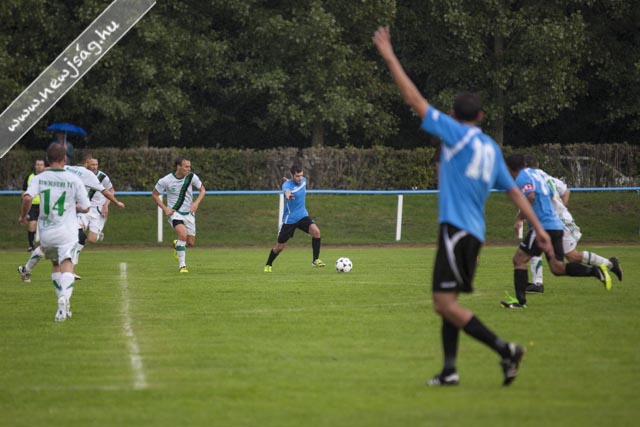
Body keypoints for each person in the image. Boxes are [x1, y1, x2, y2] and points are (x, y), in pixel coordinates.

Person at [373, 26, 553, 387]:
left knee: (443, 304)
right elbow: (515, 194)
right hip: (474, 234)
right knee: (448, 302)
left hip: (456, 231)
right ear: (482, 116)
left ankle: (506, 350)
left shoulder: (454, 134)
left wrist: (389, 55)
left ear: (455, 115)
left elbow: (414, 99)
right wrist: (540, 229)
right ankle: (450, 370)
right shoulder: (491, 149)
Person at [501, 154, 612, 309]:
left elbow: (531, 196)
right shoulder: (538, 174)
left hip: (542, 226)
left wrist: (520, 218)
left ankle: (520, 302)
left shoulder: (522, 177)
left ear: (508, 168)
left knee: (519, 260)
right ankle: (594, 271)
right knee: (557, 268)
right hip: (556, 225)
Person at [520, 154, 623, 293]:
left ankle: (608, 265)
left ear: (525, 166)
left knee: (572, 256)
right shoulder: (546, 177)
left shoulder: (532, 178)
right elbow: (566, 191)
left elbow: (534, 197)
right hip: (552, 220)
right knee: (543, 248)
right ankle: (538, 283)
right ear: (537, 164)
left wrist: (556, 212)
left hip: (556, 221)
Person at [18, 150, 125, 282]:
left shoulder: (68, 168)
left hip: (58, 214)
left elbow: (50, 169)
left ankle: (28, 269)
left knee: (61, 243)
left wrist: (42, 172)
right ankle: (63, 275)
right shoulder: (88, 175)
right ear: (87, 162)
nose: (93, 166)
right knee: (67, 242)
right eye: (91, 163)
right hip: (66, 213)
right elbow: (105, 192)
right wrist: (117, 202)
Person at [18, 143, 90, 322]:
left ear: (47, 159)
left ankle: (63, 304)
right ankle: (64, 298)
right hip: (67, 231)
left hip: (47, 232)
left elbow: (27, 197)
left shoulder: (39, 178)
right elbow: (86, 207)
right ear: (65, 159)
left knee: (55, 264)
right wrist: (74, 207)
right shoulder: (73, 179)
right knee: (67, 264)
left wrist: (23, 216)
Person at [264, 165, 326, 272]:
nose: (300, 178)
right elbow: (287, 190)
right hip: (290, 220)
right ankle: (268, 264)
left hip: (302, 215)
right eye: (297, 176)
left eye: (301, 175)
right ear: (292, 175)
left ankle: (315, 260)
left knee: (316, 232)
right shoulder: (286, 185)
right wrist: (288, 195)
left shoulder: (303, 180)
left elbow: (295, 183)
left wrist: (291, 181)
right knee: (280, 247)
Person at [152, 157, 206, 273]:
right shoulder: (165, 180)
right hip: (174, 213)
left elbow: (202, 190)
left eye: (189, 166)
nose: (189, 169)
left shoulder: (191, 177)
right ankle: (182, 266)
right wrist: (165, 209)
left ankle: (177, 244)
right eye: (186, 167)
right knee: (182, 234)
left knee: (190, 242)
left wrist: (196, 203)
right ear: (178, 167)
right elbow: (155, 194)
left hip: (189, 213)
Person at [74, 157, 115, 263]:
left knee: (91, 239)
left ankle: (98, 235)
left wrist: (106, 205)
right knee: (78, 232)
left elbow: (111, 191)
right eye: (92, 164)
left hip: (98, 210)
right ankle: (74, 256)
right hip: (84, 208)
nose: (95, 167)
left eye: (96, 164)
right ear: (87, 164)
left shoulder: (102, 177)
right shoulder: (82, 174)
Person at [21, 159, 46, 252]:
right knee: (32, 224)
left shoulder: (48, 177)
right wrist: (24, 207)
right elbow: (24, 192)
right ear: (35, 166)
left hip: (45, 204)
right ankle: (31, 246)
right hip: (33, 205)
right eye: (38, 164)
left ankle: (47, 245)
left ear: (44, 166)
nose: (39, 166)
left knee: (46, 225)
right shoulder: (30, 176)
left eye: (41, 164)